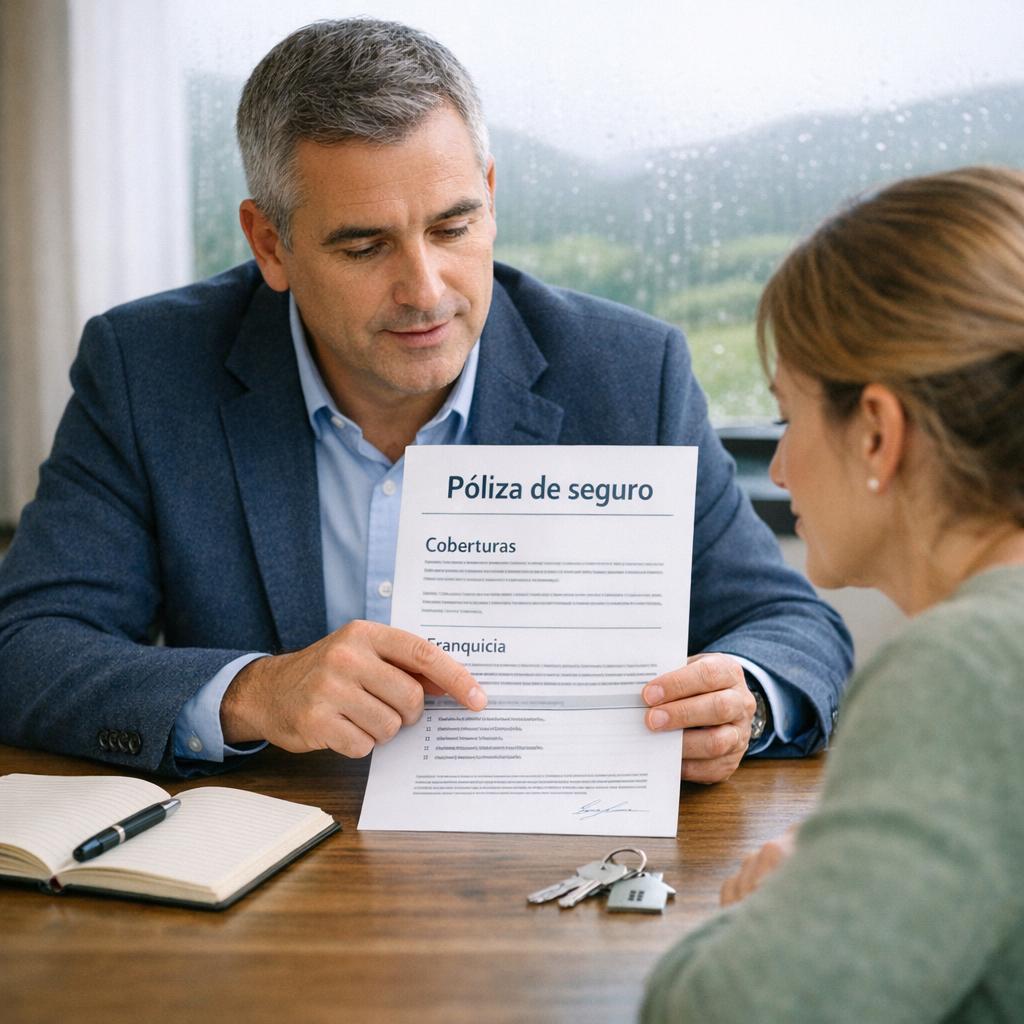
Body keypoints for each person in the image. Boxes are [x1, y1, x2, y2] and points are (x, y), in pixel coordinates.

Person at [0, 19, 851, 781]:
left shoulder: (630, 369)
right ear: (271, 243)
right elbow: (25, 648)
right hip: (263, 887)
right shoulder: (147, 369)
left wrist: (744, 697)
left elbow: (787, 621)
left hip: (549, 878)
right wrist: (253, 693)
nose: (426, 290)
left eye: (453, 228)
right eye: (365, 246)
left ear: (489, 191)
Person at [642, 166, 1024, 1022]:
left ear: (879, 434)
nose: (777, 468)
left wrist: (782, 910)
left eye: (788, 418)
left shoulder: (963, 671)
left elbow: (711, 1012)